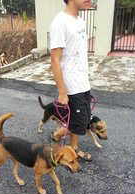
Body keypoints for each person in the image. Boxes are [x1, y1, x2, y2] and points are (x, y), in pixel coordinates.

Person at [49, 0, 92, 160]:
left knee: (81, 119)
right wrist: (62, 92)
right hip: (71, 84)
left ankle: (73, 147)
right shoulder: (59, 23)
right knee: (79, 121)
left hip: (83, 82)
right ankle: (56, 135)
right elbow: (55, 60)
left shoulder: (80, 21)